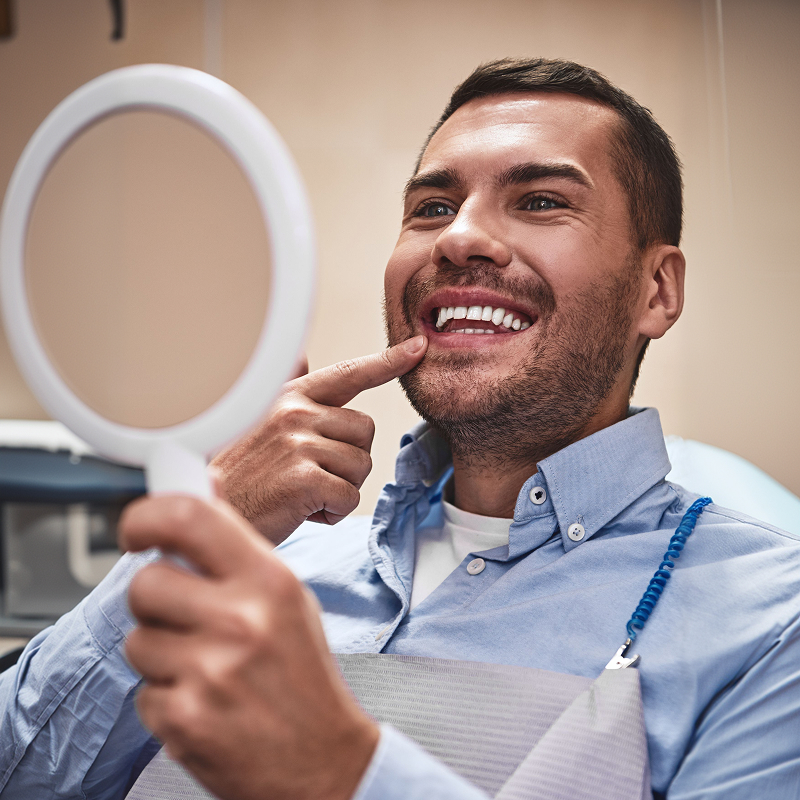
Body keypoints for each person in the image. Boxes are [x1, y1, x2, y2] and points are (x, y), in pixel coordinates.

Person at [2, 57, 800, 800]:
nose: (458, 237)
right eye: (433, 208)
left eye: (542, 201)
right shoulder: (262, 553)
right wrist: (201, 530)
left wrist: (345, 768)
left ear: (657, 290)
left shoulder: (772, 627)